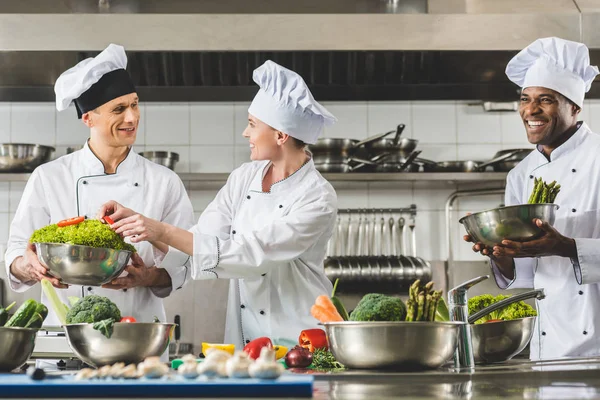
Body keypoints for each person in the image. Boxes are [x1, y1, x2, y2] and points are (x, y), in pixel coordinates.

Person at [98, 60, 338, 348]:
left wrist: (158, 230)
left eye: (252, 124)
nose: (245, 133)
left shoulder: (317, 197)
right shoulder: (244, 177)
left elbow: (252, 256)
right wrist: (138, 223)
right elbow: (203, 240)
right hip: (246, 338)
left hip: (303, 339)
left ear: (281, 135)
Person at [5, 44, 195, 326]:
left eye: (134, 104)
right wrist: (28, 266)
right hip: (65, 333)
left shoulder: (163, 181)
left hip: (137, 333)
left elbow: (186, 264)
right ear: (88, 118)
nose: (131, 117)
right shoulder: (49, 177)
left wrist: (148, 276)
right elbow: (17, 252)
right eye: (119, 108)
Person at [464, 37, 600, 360]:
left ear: (575, 106)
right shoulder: (521, 175)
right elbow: (527, 276)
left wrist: (565, 246)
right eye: (525, 99)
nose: (530, 110)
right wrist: (501, 255)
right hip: (546, 351)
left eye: (546, 100)